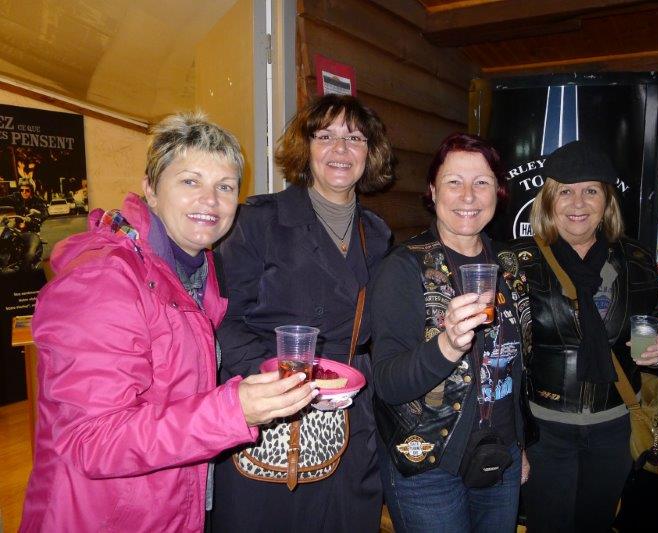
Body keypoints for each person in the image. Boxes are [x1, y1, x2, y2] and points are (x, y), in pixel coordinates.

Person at [20, 112, 317, 533]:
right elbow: (93, 440)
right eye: (190, 181)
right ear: (151, 189)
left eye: (225, 186)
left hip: (168, 507)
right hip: (100, 517)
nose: (210, 200)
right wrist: (232, 410)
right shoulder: (103, 280)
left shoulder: (193, 271)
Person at [211, 94, 394, 532]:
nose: (340, 149)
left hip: (351, 412)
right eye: (325, 136)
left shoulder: (377, 234)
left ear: (369, 153)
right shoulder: (256, 221)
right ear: (305, 147)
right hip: (272, 412)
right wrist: (282, 379)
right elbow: (221, 321)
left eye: (355, 138)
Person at [508, 140, 658, 532]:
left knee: (596, 524)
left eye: (591, 191)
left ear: (607, 201)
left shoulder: (636, 260)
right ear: (549, 201)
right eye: (565, 191)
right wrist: (512, 435)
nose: (578, 203)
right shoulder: (516, 262)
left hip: (615, 427)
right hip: (543, 429)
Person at [370, 133, 532, 533]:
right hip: (428, 465)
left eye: (482, 182)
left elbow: (516, 369)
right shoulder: (403, 267)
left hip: (500, 457)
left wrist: (520, 444)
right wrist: (446, 345)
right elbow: (387, 383)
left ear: (498, 191)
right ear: (432, 190)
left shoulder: (509, 263)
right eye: (453, 182)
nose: (468, 196)